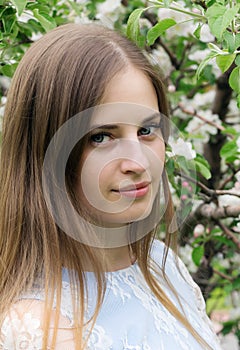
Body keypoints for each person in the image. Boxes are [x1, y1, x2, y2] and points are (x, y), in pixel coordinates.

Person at [0, 23, 221, 349]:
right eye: (101, 137)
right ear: (47, 152)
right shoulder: (40, 325)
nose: (139, 161)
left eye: (147, 130)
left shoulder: (164, 267)